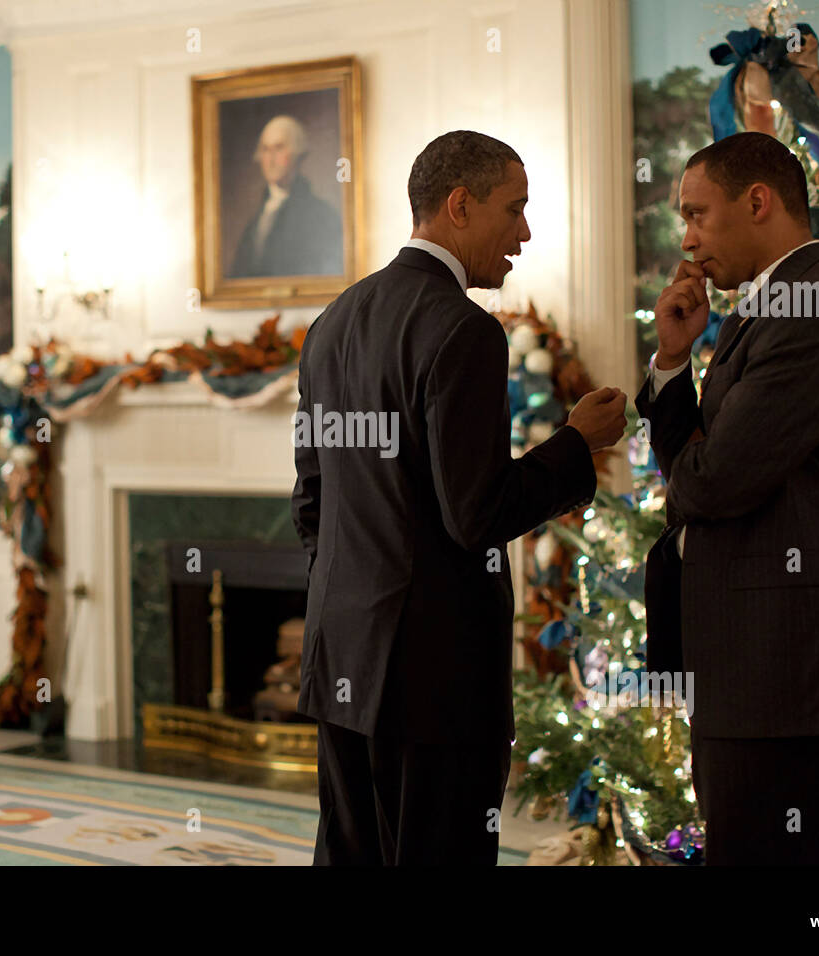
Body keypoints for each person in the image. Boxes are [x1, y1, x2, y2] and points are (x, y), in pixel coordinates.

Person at [291, 130, 628, 865]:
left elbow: (310, 505)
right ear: (459, 205)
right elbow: (475, 514)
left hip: (342, 652)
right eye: (516, 209)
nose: (526, 233)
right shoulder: (464, 329)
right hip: (432, 679)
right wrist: (577, 441)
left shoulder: (331, 322)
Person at [637, 131, 819, 865]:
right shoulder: (768, 304)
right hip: (755, 671)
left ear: (758, 201)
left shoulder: (816, 308)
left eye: (696, 214)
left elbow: (710, 482)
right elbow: (699, 475)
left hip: (784, 674)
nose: (686, 238)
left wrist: (694, 474)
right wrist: (674, 361)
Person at [228, 114, 343, 278]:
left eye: (279, 148)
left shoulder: (321, 215)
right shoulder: (255, 221)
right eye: (266, 150)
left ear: (298, 154)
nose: (271, 159)